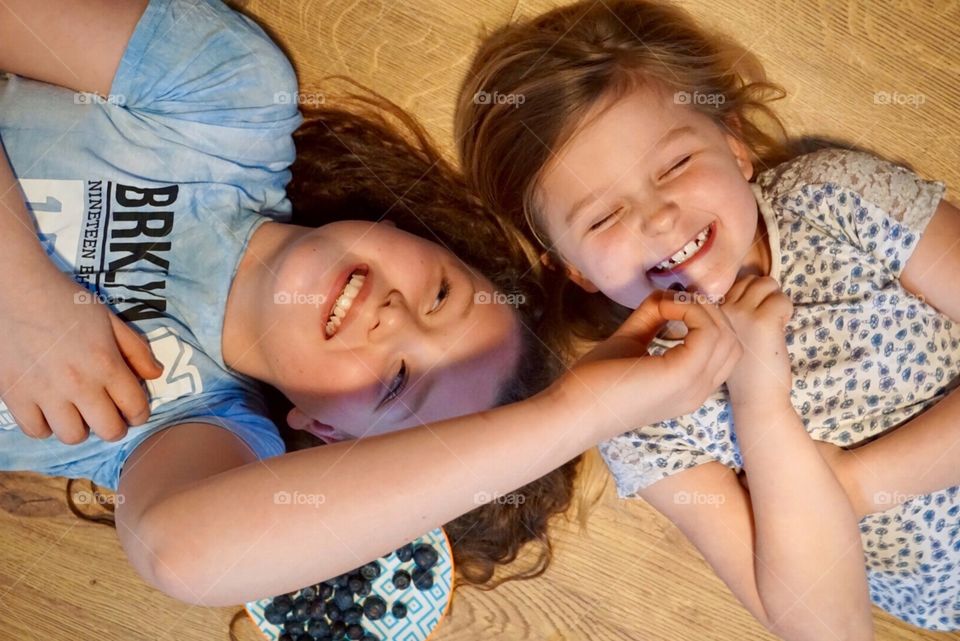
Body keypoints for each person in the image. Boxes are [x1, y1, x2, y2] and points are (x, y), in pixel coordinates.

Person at [0, 0, 742, 608]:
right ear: (423, 237)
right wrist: (27, 297)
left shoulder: (185, 435)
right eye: (442, 294)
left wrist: (575, 415)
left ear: (323, 431)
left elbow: (181, 552)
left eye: (394, 382)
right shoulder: (228, 100)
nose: (395, 318)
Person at [454, 0, 960, 636]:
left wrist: (856, 487)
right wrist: (758, 399)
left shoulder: (836, 200)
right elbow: (826, 629)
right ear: (574, 268)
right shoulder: (636, 411)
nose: (659, 218)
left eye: (675, 165)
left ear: (735, 147)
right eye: (603, 217)